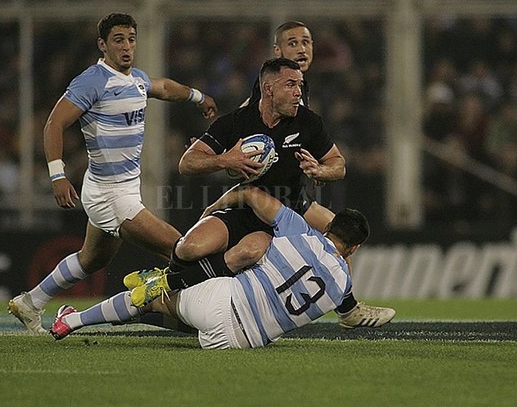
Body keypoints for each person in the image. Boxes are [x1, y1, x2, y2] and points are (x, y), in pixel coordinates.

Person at [128, 56, 395, 328]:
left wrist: (320, 170)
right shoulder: (237, 122)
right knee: (190, 248)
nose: (298, 93)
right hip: (243, 207)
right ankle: (165, 283)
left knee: (339, 235)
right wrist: (225, 160)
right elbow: (187, 163)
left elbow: (338, 164)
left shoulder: (308, 123)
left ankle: (348, 309)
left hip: (286, 214)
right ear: (269, 89)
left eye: (300, 85)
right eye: (291, 85)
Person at [8, 13, 218, 333]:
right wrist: (57, 175)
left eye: (131, 39)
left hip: (120, 188)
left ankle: (30, 302)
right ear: (102, 45)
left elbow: (164, 87)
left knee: (92, 259)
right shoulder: (93, 81)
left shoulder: (136, 80)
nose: (127, 46)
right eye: (118, 40)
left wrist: (198, 97)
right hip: (111, 194)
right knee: (181, 248)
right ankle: (202, 317)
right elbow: (54, 123)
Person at [50, 185, 378, 349]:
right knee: (181, 316)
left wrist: (215, 207)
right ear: (354, 248)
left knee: (152, 298)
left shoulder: (300, 231)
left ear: (327, 227)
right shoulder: (342, 287)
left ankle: (73, 320)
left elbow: (252, 194)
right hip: (240, 343)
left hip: (220, 304)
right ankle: (168, 290)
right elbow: (345, 300)